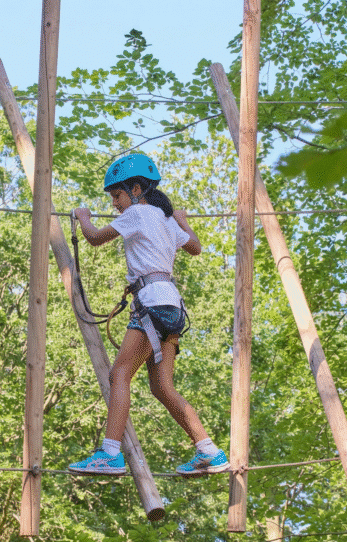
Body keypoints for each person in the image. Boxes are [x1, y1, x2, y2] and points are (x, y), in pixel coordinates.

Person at [67, 153, 228, 477]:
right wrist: (182, 220)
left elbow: (95, 237)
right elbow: (195, 247)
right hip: (171, 306)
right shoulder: (165, 219)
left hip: (151, 304)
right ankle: (209, 450)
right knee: (162, 387)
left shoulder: (137, 212)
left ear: (136, 189)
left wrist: (83, 217)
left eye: (117, 196)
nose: (115, 203)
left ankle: (110, 454)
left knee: (120, 375)